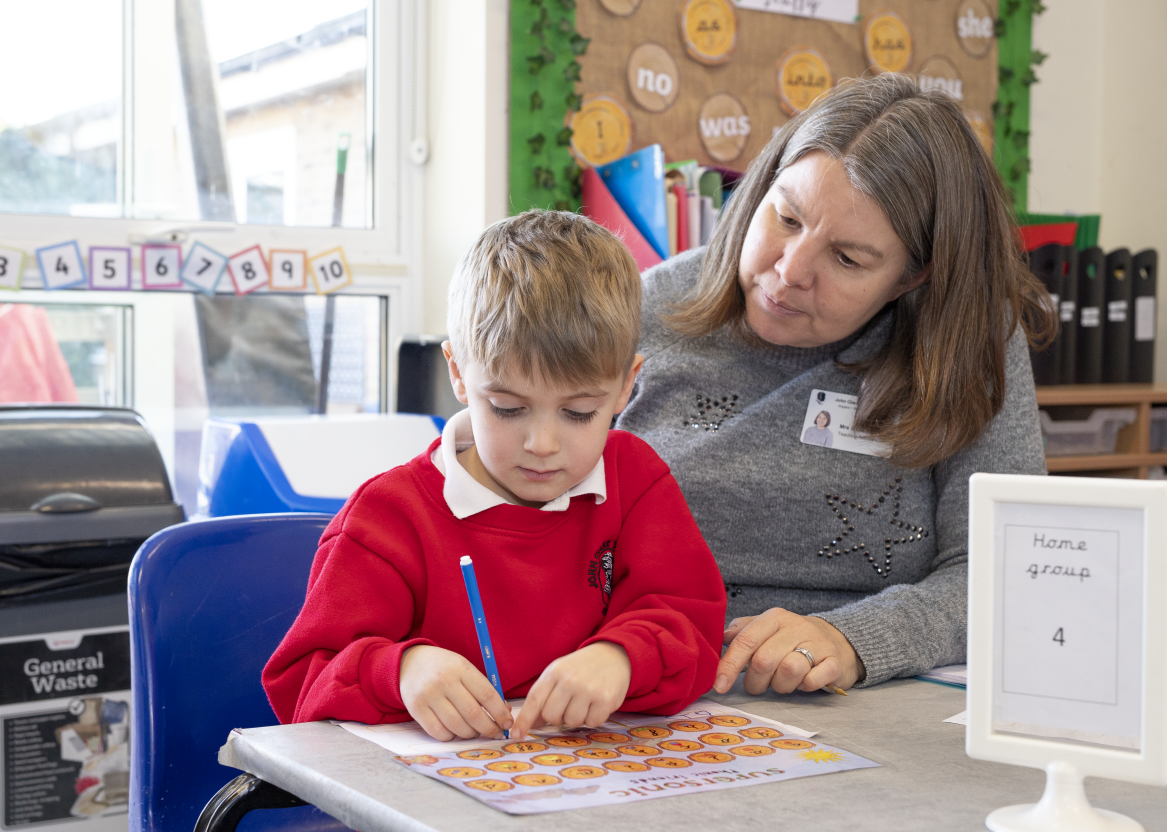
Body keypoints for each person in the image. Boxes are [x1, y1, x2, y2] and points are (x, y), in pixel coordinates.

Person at [616, 74, 1054, 697]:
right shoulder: (634, 310)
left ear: (913, 278)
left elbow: (1007, 575)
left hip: (867, 700)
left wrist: (854, 638)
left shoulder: (967, 341)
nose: (789, 272)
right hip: (639, 680)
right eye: (786, 217)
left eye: (848, 259)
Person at [263, 210, 726, 741]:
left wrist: (620, 657)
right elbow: (302, 686)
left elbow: (692, 623)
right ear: (458, 372)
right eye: (507, 408)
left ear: (626, 386)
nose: (543, 445)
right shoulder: (387, 519)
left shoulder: (635, 479)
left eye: (579, 413)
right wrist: (401, 672)